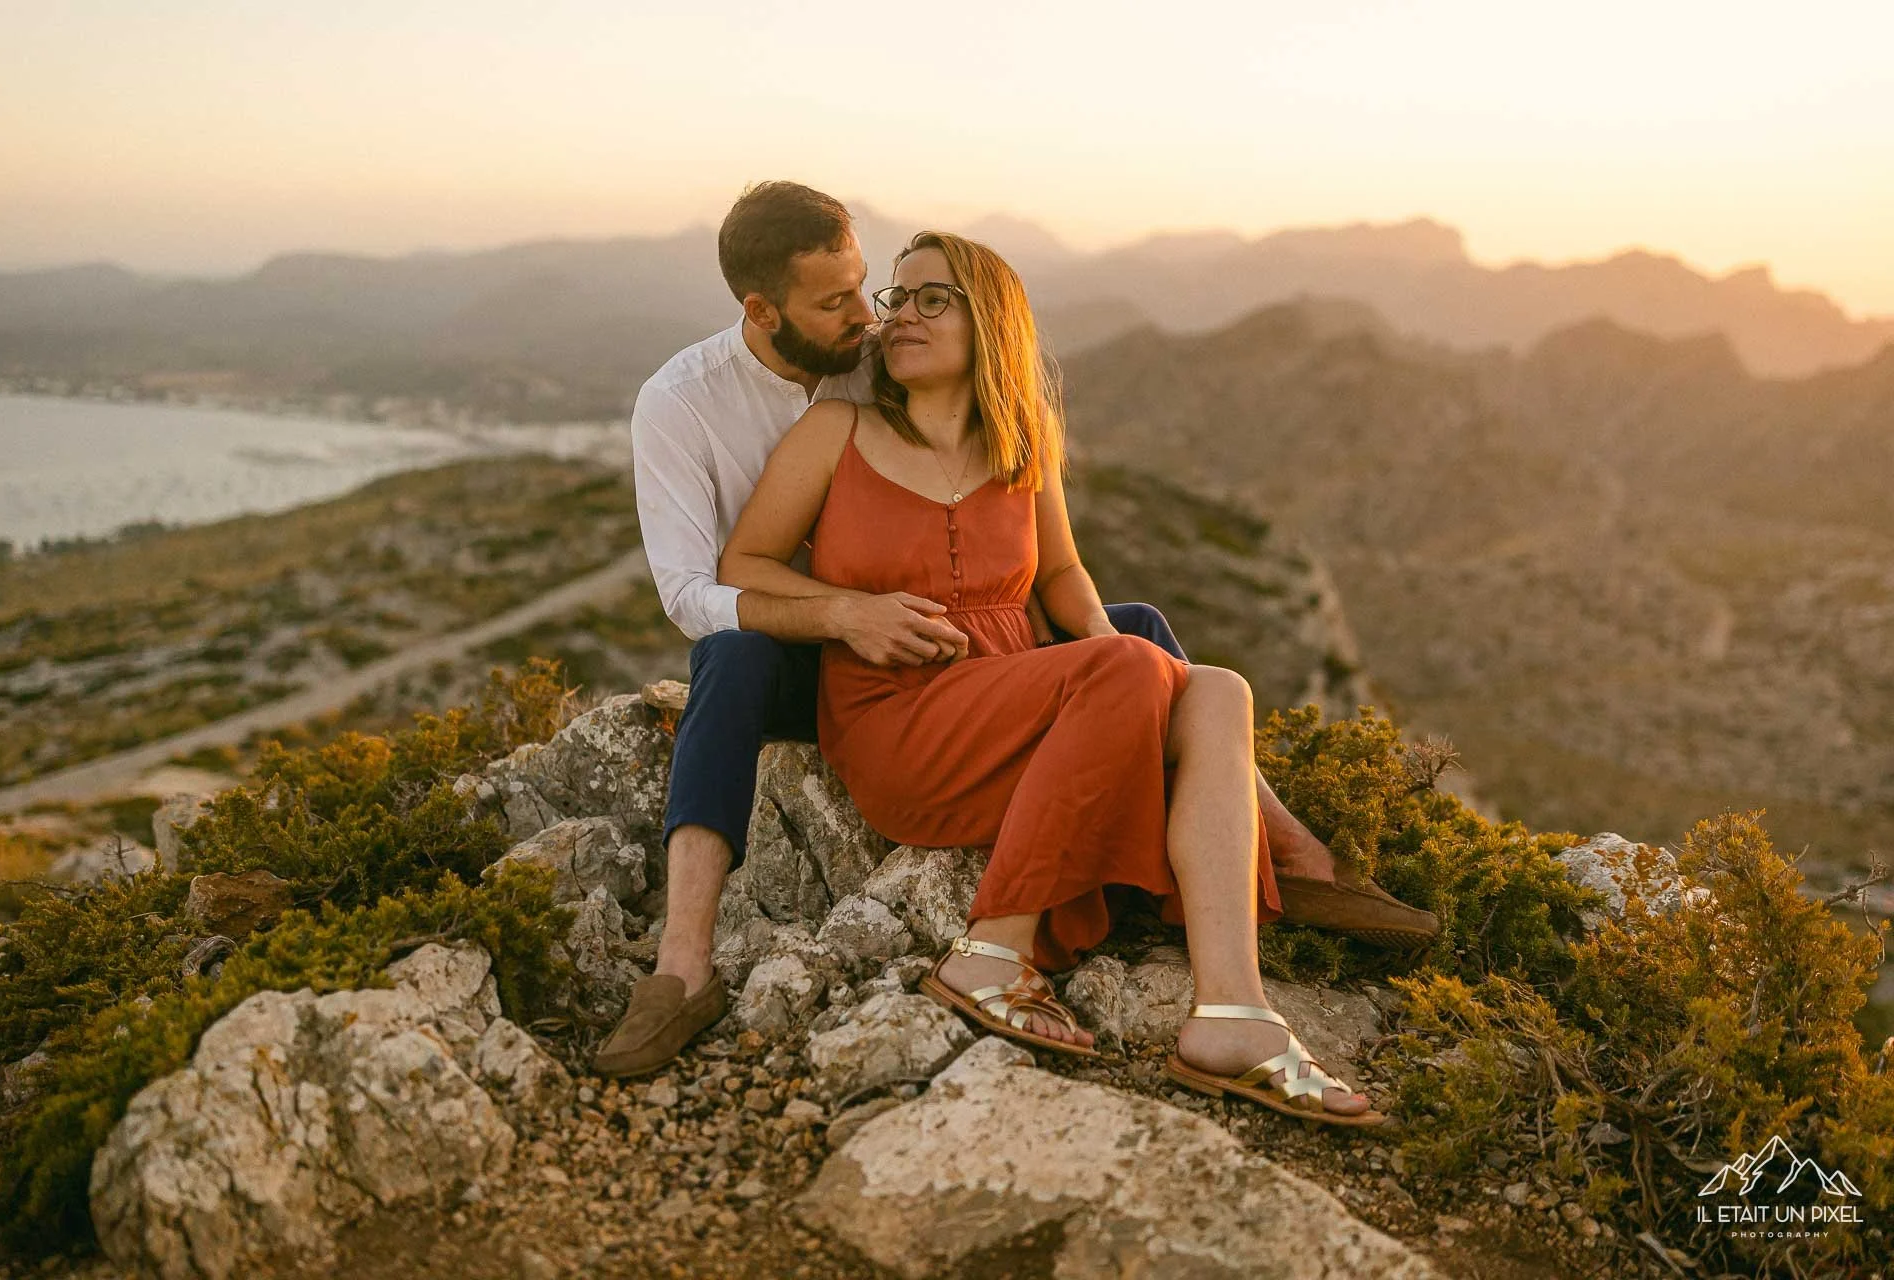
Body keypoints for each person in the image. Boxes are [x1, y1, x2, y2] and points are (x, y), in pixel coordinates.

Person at [595, 180, 1431, 1084]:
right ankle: (687, 965)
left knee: (1166, 657)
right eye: (853, 303)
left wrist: (1107, 646)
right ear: (764, 310)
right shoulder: (698, 404)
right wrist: (844, 611)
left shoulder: (919, 381)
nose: (879, 319)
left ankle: (1262, 923)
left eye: (884, 293)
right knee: (731, 653)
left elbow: (1060, 570)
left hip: (983, 665)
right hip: (831, 659)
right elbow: (697, 587)